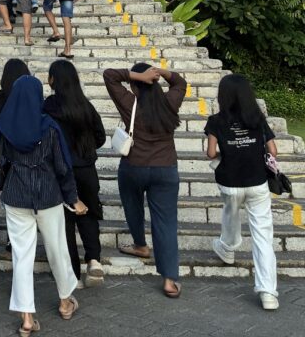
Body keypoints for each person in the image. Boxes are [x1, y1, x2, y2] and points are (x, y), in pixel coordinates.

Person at [0, 75, 85, 335]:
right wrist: (73, 197)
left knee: (22, 256)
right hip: (48, 196)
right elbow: (63, 168)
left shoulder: (6, 126)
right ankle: (65, 303)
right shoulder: (49, 126)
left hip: (16, 196)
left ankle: (27, 318)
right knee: (57, 249)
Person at [104, 63, 186, 298]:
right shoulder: (170, 102)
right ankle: (170, 280)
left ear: (134, 84)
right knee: (166, 223)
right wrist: (161, 71)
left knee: (133, 207)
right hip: (166, 169)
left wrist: (139, 75)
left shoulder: (130, 103)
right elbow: (180, 82)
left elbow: (109, 75)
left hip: (134, 167)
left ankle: (140, 245)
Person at [205, 73, 280, 310]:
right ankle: (268, 292)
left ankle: (228, 246)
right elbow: (274, 151)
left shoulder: (216, 121)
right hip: (257, 182)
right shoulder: (257, 118)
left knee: (231, 210)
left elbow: (210, 153)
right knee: (263, 237)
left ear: (223, 96)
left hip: (229, 181)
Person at [44, 59, 106, 288]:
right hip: (87, 169)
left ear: (53, 80)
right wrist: (86, 151)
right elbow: (100, 136)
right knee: (89, 213)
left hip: (61, 171)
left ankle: (73, 272)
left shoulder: (49, 106)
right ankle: (94, 260)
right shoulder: (85, 105)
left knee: (66, 220)